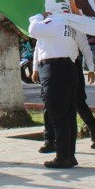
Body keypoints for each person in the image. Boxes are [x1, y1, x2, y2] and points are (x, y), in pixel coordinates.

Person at [36, 22, 95, 154]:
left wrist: (91, 69)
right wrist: (35, 69)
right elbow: (39, 46)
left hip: (71, 65)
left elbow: (84, 46)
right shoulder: (45, 24)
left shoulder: (74, 22)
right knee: (49, 104)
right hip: (50, 67)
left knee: (77, 101)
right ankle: (49, 140)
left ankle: (93, 128)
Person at [28, 10, 81, 168]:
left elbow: (32, 30)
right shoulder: (69, 25)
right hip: (69, 67)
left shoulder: (51, 23)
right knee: (68, 115)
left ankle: (63, 157)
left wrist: (37, 16)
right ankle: (69, 155)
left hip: (55, 69)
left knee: (58, 116)